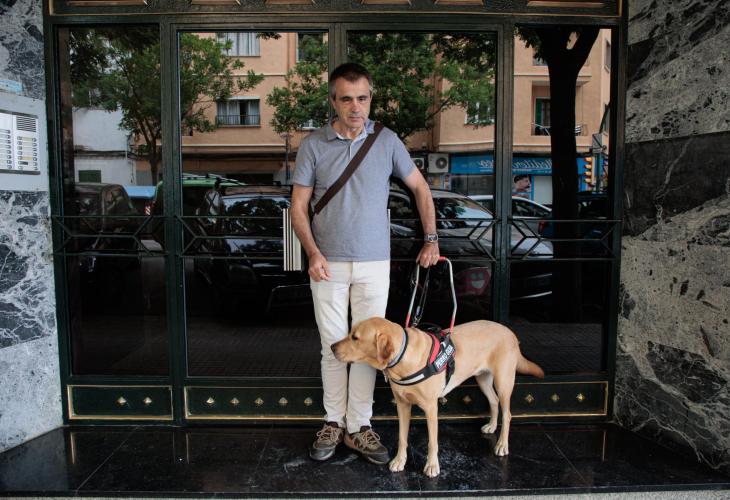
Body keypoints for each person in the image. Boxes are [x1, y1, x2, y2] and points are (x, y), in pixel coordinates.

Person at [291, 63, 439, 465]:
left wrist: (431, 239)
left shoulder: (387, 141)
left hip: (374, 263)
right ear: (333, 102)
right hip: (328, 264)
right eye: (347, 99)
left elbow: (420, 188)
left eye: (363, 98)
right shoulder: (313, 145)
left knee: (370, 350)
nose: (356, 107)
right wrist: (313, 252)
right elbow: (298, 207)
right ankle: (333, 421)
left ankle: (359, 426)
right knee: (333, 346)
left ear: (370, 99)